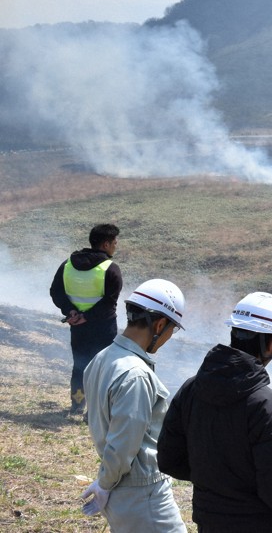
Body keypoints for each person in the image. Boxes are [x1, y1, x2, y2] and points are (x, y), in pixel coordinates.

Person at [158, 291, 272, 532]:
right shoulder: (266, 405)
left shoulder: (191, 389)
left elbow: (168, 459)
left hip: (208, 522)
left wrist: (214, 485)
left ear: (234, 333)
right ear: (270, 344)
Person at [79, 278, 188, 532]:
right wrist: (104, 483)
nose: (169, 337)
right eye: (172, 329)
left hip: (122, 493)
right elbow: (123, 443)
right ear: (160, 324)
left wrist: (106, 482)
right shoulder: (135, 374)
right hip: (143, 496)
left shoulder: (101, 358)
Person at [49, 223, 123, 413]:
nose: (116, 245)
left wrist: (71, 312)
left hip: (77, 328)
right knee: (103, 369)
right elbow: (109, 304)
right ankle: (95, 412)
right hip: (103, 329)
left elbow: (56, 292)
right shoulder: (111, 269)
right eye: (115, 242)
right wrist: (87, 316)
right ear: (106, 244)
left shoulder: (67, 265)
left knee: (80, 366)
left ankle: (77, 405)